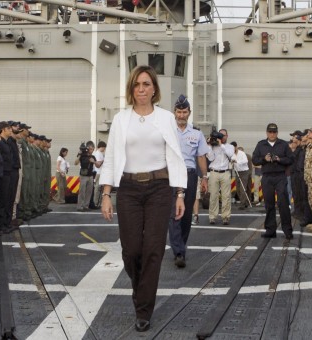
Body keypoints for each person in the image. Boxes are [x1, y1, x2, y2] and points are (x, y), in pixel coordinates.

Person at [99, 65, 186, 332]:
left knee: (153, 250)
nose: (141, 89)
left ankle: (143, 308)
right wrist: (106, 193)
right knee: (131, 250)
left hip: (160, 187)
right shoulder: (121, 119)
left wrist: (180, 192)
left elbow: (176, 154)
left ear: (154, 88)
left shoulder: (166, 118)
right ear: (131, 89)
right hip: (128, 188)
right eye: (137, 84)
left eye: (146, 84)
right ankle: (141, 291)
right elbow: (112, 156)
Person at [168, 94, 209, 268]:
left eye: (185, 112)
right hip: (171, 175)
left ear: (189, 113)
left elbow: (200, 157)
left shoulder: (197, 134)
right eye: (179, 111)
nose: (181, 115)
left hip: (190, 175)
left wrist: (204, 177)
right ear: (174, 112)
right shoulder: (168, 131)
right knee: (174, 213)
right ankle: (178, 252)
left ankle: (181, 246)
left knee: (186, 215)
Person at [252, 123, 294, 239]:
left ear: (277, 133)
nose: (272, 134)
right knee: (269, 204)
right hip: (267, 177)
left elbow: (291, 159)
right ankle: (270, 230)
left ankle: (288, 230)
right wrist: (264, 159)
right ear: (266, 133)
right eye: (270, 132)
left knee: (283, 203)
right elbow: (255, 160)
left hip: (280, 176)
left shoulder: (284, 144)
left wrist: (279, 159)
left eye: (274, 132)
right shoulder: (261, 144)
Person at [206, 129, 234, 225]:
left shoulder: (230, 146)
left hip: (225, 172)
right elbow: (210, 158)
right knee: (213, 195)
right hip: (214, 172)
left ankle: (226, 217)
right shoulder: (213, 146)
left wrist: (221, 145)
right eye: (220, 135)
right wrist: (209, 146)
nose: (222, 137)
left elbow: (230, 155)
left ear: (227, 136)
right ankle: (212, 216)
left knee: (226, 196)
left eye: (223, 135)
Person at [75, 141, 96, 212]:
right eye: (91, 149)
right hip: (83, 176)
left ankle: (86, 206)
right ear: (88, 148)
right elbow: (75, 163)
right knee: (82, 191)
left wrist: (94, 161)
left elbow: (98, 165)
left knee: (89, 192)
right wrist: (80, 154)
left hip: (91, 176)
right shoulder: (82, 155)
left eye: (93, 149)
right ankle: (80, 206)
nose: (92, 150)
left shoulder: (93, 156)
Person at [234, 145, 250, 210]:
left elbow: (245, 161)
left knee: (242, 188)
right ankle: (245, 202)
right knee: (238, 189)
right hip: (237, 172)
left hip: (244, 172)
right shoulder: (232, 154)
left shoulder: (242, 153)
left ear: (235, 147)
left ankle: (242, 204)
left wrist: (237, 162)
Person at [90, 141, 106, 208]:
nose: (104, 149)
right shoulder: (99, 154)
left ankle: (96, 202)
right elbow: (98, 165)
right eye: (104, 147)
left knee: (98, 188)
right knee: (97, 188)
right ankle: (96, 202)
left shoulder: (97, 153)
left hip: (98, 173)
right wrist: (104, 160)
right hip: (98, 173)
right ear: (102, 147)